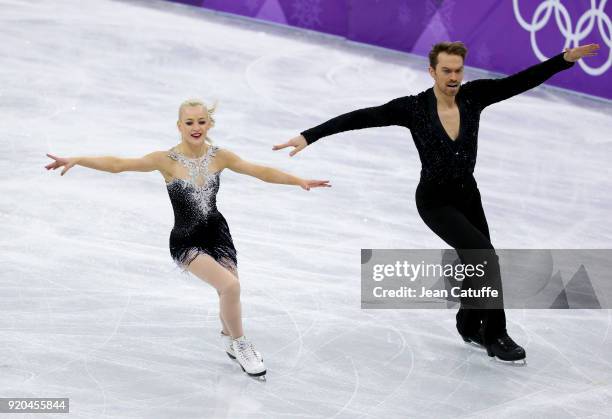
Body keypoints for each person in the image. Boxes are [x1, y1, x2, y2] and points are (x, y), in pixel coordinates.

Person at [273, 42, 599, 363]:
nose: (453, 76)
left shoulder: (475, 95)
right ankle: (495, 333)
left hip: (468, 195)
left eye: (458, 70)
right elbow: (362, 117)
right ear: (432, 71)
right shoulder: (413, 108)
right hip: (435, 201)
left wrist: (563, 60)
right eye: (446, 70)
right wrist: (309, 135)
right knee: (485, 257)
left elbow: (519, 82)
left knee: (478, 258)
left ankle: (469, 323)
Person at [45, 99, 331, 377]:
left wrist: (298, 181)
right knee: (230, 287)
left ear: (209, 124)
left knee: (228, 290)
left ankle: (229, 338)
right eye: (190, 122)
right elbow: (120, 164)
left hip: (217, 233)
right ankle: (242, 344)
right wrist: (79, 159)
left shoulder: (220, 156)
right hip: (186, 240)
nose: (196, 127)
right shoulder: (165, 160)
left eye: (202, 121)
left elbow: (260, 171)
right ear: (179, 126)